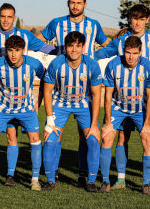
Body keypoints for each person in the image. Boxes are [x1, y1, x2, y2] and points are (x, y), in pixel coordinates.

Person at [94, 4, 150, 191]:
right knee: (122, 136)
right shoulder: (120, 39)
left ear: (147, 20)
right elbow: (104, 53)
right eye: (134, 18)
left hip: (146, 99)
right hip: (122, 97)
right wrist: (86, 55)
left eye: (141, 19)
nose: (137, 22)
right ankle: (120, 178)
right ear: (129, 19)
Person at [0, 3, 57, 187]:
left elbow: (45, 49)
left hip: (23, 101)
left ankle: (23, 177)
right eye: (3, 16)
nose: (6, 20)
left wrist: (67, 50)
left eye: (9, 16)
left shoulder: (26, 38)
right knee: (4, 137)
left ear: (14, 18)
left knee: (25, 138)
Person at [37, 0, 110, 187]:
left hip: (84, 94)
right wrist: (54, 50)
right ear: (68, 3)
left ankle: (86, 176)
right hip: (61, 93)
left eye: (79, 2)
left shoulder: (94, 25)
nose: (75, 6)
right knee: (52, 136)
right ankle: (52, 177)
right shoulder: (57, 24)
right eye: (72, 2)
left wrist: (99, 55)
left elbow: (106, 45)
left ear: (85, 4)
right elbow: (39, 42)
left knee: (89, 136)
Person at [0, 35, 45, 191]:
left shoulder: (34, 64)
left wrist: (39, 102)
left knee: (35, 139)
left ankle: (35, 180)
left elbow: (46, 79)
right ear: (6, 51)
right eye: (10, 50)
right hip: (2, 108)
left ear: (23, 50)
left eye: (17, 50)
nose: (14, 54)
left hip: (26, 108)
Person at [42, 31, 102, 192]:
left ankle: (89, 181)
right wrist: (49, 120)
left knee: (93, 140)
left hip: (83, 105)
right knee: (49, 139)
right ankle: (50, 179)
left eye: (78, 45)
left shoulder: (92, 65)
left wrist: (95, 123)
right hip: (59, 104)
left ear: (83, 47)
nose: (74, 49)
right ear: (65, 47)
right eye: (70, 45)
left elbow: (96, 94)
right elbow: (47, 91)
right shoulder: (56, 64)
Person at [99, 36, 150, 194]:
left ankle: (146, 183)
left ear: (140, 52)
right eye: (127, 52)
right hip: (118, 108)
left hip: (140, 109)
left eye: (134, 53)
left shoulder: (149, 67)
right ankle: (106, 181)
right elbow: (108, 95)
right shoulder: (113, 65)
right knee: (107, 136)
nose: (131, 56)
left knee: (147, 138)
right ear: (123, 51)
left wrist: (146, 123)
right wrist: (107, 122)